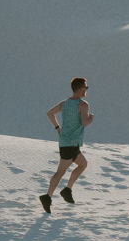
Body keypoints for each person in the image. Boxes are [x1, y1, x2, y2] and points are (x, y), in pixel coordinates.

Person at [40, 77, 94, 212]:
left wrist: (57, 128)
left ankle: (67, 190)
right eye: (86, 87)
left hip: (65, 142)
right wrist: (91, 118)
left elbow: (50, 113)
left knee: (83, 164)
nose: (86, 90)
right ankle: (48, 196)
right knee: (60, 172)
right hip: (72, 143)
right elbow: (85, 122)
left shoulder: (64, 103)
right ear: (80, 88)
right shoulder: (83, 104)